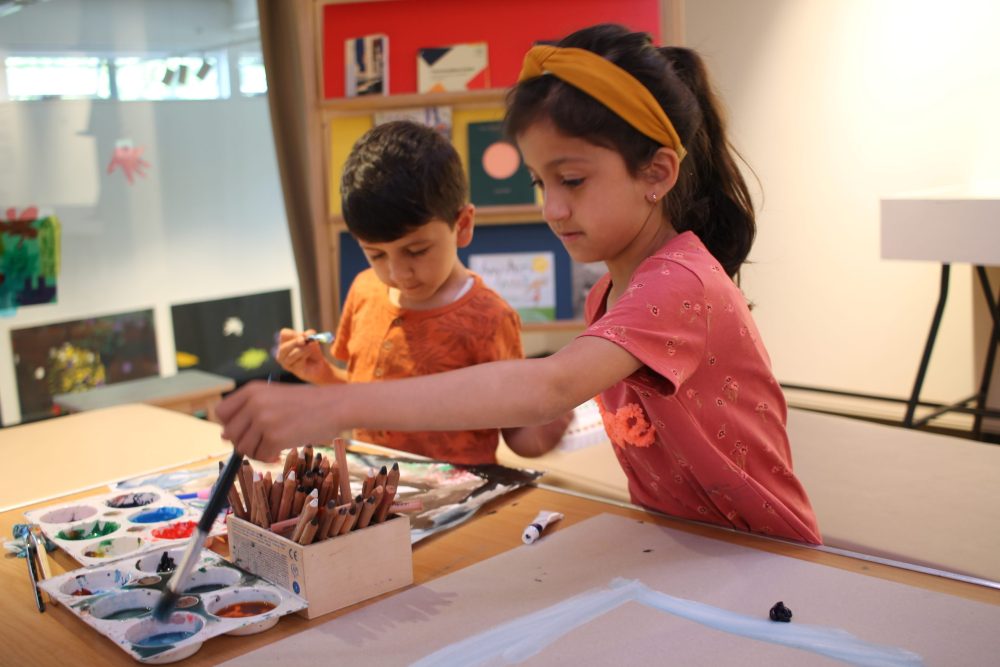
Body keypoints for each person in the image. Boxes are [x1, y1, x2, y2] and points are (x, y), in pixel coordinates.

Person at [220, 24, 822, 544]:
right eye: (540, 183)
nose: (553, 208)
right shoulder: (606, 293)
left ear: (657, 173)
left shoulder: (678, 283)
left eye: (573, 180)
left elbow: (548, 386)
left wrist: (331, 402)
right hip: (680, 542)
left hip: (758, 550)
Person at [275, 120, 570, 465]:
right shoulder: (364, 290)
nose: (398, 273)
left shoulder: (490, 318)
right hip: (373, 492)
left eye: (416, 251)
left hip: (461, 498)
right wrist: (321, 374)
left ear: (462, 226)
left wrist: (546, 429)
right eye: (376, 255)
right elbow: (363, 398)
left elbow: (516, 430)